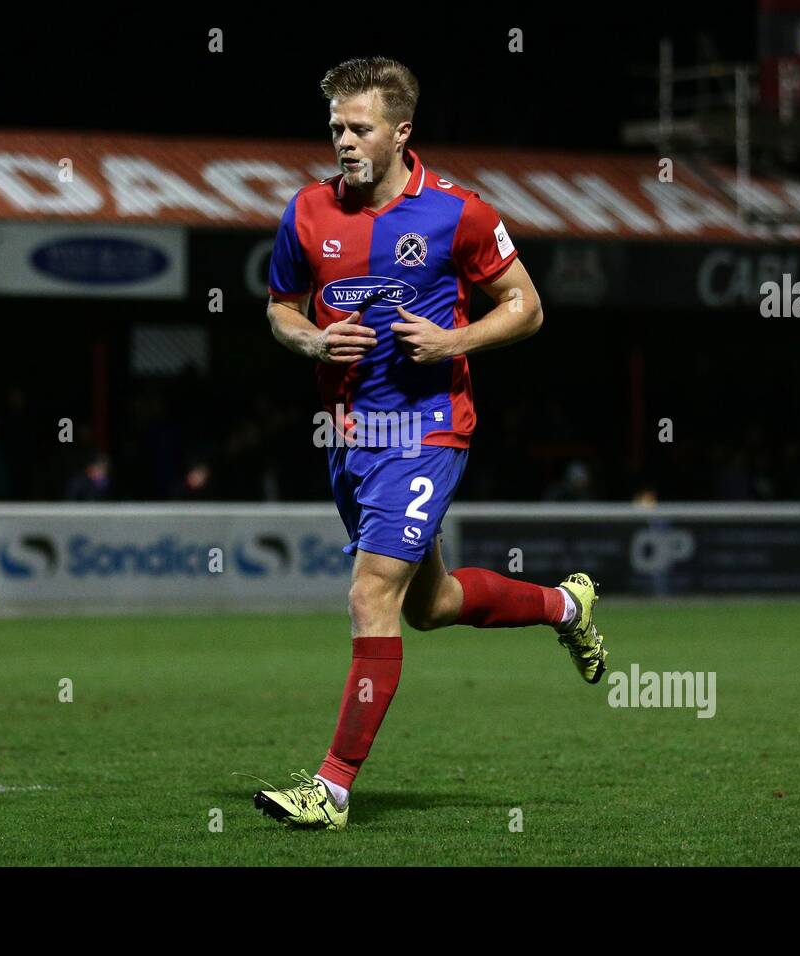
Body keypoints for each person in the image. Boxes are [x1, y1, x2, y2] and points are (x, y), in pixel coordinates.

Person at [252, 57, 613, 831]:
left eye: (359, 128)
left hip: (427, 432)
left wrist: (455, 342)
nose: (343, 141)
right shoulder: (308, 212)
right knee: (431, 604)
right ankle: (564, 606)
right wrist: (312, 342)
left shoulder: (459, 213)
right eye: (336, 128)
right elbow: (280, 307)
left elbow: (527, 306)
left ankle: (333, 790)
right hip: (352, 438)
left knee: (368, 594)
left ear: (401, 132)